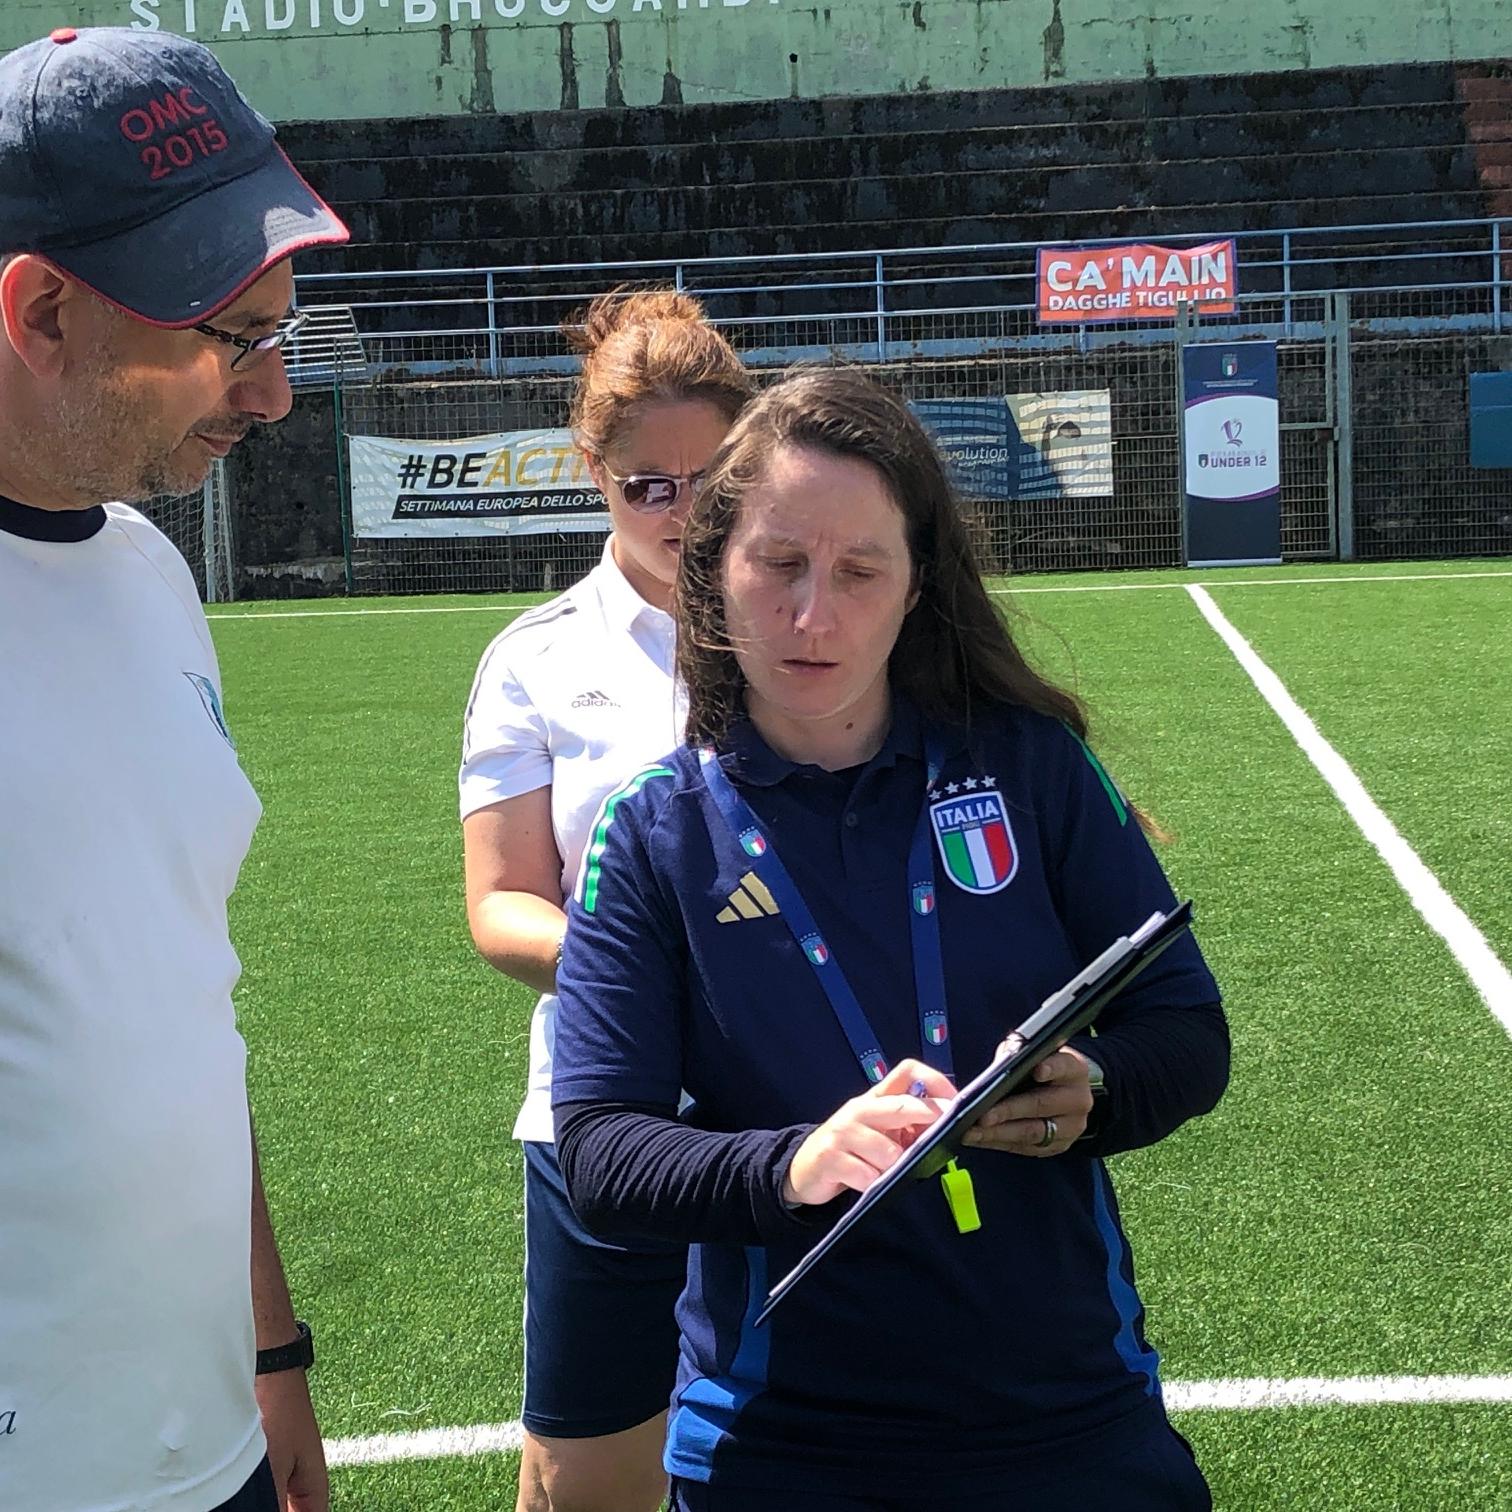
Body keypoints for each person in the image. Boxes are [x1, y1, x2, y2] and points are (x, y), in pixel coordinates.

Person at [551, 368, 1230, 1510]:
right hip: (782, 1445)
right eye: (779, 565)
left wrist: (1096, 1089)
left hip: (1068, 1414)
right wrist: (792, 1165)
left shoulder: (1031, 769)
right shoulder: (656, 832)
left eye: (861, 572)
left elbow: (1189, 1032)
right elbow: (602, 1148)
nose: (816, 615)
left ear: (918, 587)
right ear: (713, 573)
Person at [0, 26, 349, 1512]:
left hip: (203, 1447)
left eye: (281, 330)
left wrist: (271, 1360)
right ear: (41, 312)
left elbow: (179, 1009)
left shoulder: (150, 576)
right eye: (228, 335)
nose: (269, 396)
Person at [459, 289, 755, 1512]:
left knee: (787, 1457)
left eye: (713, 475)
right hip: (603, 1118)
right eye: (650, 486)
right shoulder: (537, 659)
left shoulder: (812, 622)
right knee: (586, 1484)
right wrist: (644, 973)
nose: (683, 511)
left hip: (785, 1112)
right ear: (596, 473)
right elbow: (501, 905)